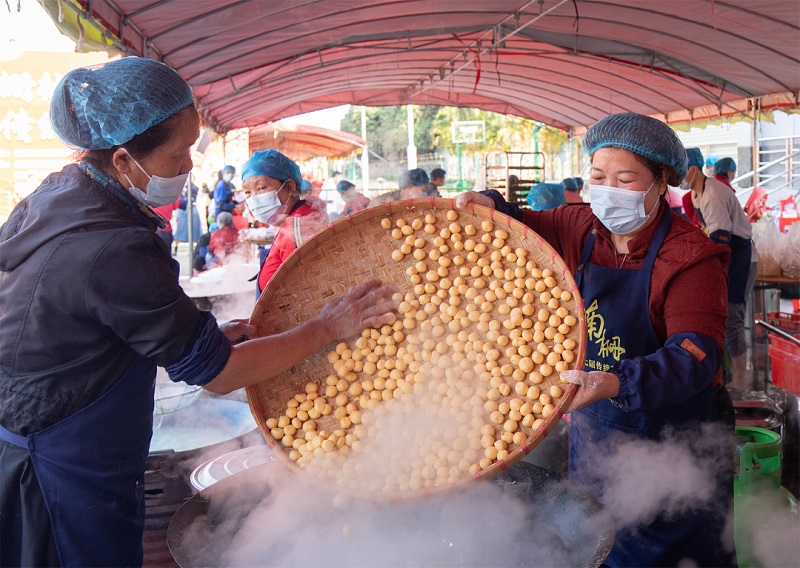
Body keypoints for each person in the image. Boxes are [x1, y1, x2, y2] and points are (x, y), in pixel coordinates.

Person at [0, 56, 398, 567]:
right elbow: (220, 376)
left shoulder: (68, 195)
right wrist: (328, 326)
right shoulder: (111, 243)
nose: (190, 166)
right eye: (180, 152)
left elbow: (103, 311)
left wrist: (195, 334)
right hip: (60, 469)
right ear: (123, 161)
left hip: (65, 443)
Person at [455, 112, 735, 566]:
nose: (607, 190)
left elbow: (695, 358)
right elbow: (513, 222)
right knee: (597, 542)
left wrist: (615, 382)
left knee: (676, 554)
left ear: (662, 182)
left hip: (673, 442)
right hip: (597, 432)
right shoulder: (578, 227)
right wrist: (485, 200)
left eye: (625, 179)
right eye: (597, 177)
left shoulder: (689, 257)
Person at [686, 147, 758, 392]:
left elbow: (720, 239)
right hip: (728, 258)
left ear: (693, 170)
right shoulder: (697, 194)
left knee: (733, 321)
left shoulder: (714, 193)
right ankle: (730, 378)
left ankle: (741, 382)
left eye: (680, 171)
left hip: (739, 258)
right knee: (724, 321)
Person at [243, 150, 330, 295]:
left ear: (289, 187)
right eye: (247, 192)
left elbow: (305, 296)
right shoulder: (296, 218)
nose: (254, 198)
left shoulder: (298, 229)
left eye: (261, 188)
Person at [174, 181, 203, 254]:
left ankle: (195, 249)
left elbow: (193, 196)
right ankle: (175, 248)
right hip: (183, 210)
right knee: (180, 230)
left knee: (194, 230)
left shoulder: (194, 188)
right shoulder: (178, 188)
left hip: (192, 209)